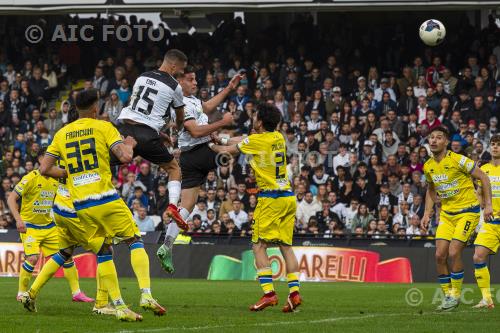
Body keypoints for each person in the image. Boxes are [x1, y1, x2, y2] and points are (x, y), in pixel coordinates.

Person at [22, 89, 164, 321]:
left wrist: (68, 173)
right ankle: (145, 294)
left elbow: (45, 169)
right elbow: (126, 157)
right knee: (134, 240)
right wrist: (128, 143)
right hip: (104, 197)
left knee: (101, 250)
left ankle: (115, 305)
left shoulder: (62, 133)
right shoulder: (104, 127)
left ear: (76, 108)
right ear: (97, 108)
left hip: (78, 204)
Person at [210, 104, 302, 312]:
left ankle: (269, 294)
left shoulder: (257, 140)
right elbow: (242, 141)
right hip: (288, 197)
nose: (253, 119)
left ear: (259, 122)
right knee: (285, 246)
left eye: (255, 116)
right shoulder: (277, 137)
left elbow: (227, 151)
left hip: (270, 199)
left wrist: (208, 144)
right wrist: (222, 138)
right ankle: (294, 293)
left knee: (258, 245)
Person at [156, 66, 242, 273]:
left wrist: (229, 88)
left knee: (186, 207)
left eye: (196, 79)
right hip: (200, 151)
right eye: (191, 79)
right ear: (180, 83)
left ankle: (166, 245)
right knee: (235, 148)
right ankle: (247, 147)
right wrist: (223, 122)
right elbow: (194, 131)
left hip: (189, 159)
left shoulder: (193, 101)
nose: (195, 82)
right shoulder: (181, 104)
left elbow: (209, 105)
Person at [117, 49, 189, 231]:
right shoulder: (175, 86)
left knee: (106, 162)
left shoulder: (142, 77)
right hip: (147, 137)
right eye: (180, 70)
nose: (179, 74)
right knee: (174, 169)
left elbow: (140, 110)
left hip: (125, 130)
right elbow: (180, 118)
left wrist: (158, 133)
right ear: (173, 65)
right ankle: (173, 206)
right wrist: (178, 131)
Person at [422, 125, 492, 311]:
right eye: (431, 138)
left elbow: (483, 178)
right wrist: (427, 212)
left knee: (454, 252)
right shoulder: (428, 166)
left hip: (467, 211)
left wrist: (489, 205)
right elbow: (430, 189)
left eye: (438, 137)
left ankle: (455, 295)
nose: (434, 140)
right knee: (439, 255)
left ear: (446, 142)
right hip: (447, 214)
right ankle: (447, 296)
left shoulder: (459, 160)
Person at [7, 154, 92, 304]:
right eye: (52, 159)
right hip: (30, 227)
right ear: (41, 159)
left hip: (49, 226)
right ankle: (21, 292)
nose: (55, 163)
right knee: (32, 258)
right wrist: (18, 220)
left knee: (66, 256)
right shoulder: (30, 178)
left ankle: (77, 292)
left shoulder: (56, 180)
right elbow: (11, 198)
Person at [472, 134, 500, 309]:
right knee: (478, 256)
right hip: (491, 221)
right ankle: (487, 299)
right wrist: (478, 212)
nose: (496, 147)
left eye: (499, 144)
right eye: (493, 144)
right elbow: (479, 194)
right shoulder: (484, 169)